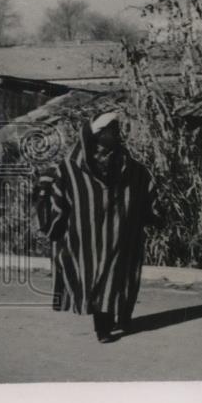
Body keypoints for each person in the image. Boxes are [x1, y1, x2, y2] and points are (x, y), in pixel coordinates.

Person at [35, 112, 159, 343]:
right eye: (107, 132)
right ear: (94, 135)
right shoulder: (70, 169)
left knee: (115, 276)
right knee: (93, 276)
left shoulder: (130, 168)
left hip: (120, 234)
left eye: (115, 131)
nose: (113, 135)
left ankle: (106, 324)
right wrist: (52, 220)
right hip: (84, 238)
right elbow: (56, 197)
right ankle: (103, 324)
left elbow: (146, 188)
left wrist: (150, 215)